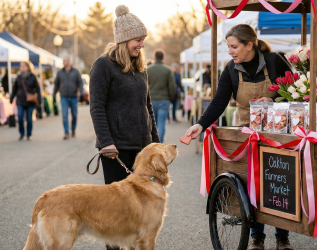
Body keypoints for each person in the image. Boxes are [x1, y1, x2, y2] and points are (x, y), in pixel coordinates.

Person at [185, 24, 294, 250]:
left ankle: (282, 236)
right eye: (229, 47)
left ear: (249, 45)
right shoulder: (231, 69)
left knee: (278, 181)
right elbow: (218, 101)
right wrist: (200, 125)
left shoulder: (274, 61)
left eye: (234, 47)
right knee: (249, 181)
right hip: (246, 130)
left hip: (277, 131)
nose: (230, 51)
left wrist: (274, 102)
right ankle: (257, 236)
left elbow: (296, 92)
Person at [89, 6, 160, 249]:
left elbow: (147, 106)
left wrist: (155, 143)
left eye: (143, 40)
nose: (141, 44)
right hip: (116, 149)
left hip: (142, 147)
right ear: (124, 39)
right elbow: (96, 106)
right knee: (117, 211)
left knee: (141, 207)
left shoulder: (141, 67)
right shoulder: (103, 65)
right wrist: (106, 141)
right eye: (138, 40)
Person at [147, 50, 175, 143]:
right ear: (163, 58)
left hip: (151, 100)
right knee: (161, 123)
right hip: (164, 99)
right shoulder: (168, 70)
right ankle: (159, 144)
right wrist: (170, 97)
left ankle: (151, 144)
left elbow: (144, 85)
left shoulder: (148, 69)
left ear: (154, 57)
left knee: (151, 124)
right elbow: (172, 86)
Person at [53, 54, 84, 140]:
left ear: (70, 62)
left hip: (74, 96)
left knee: (74, 115)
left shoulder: (76, 71)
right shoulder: (60, 72)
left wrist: (81, 93)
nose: (63, 62)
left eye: (65, 61)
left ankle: (73, 129)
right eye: (63, 61)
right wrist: (54, 95)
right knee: (64, 115)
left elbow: (80, 83)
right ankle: (66, 133)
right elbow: (56, 84)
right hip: (64, 97)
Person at [10, 61, 41, 141]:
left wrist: (39, 99)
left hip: (30, 101)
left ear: (28, 67)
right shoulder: (19, 77)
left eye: (23, 66)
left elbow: (37, 89)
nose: (22, 68)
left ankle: (29, 134)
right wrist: (12, 97)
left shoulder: (33, 77)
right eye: (21, 66)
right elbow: (14, 88)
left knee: (29, 118)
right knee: (20, 117)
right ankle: (22, 133)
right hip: (20, 100)